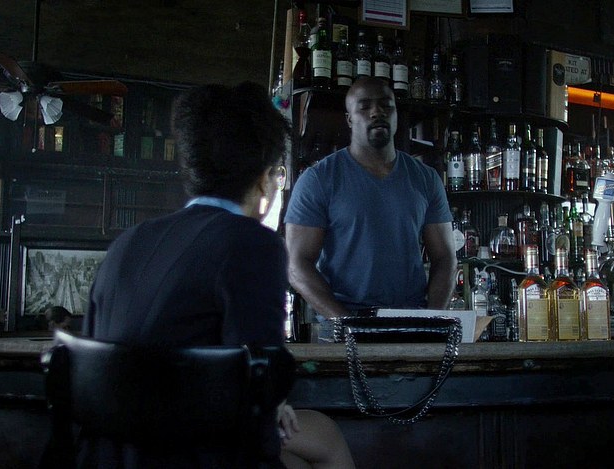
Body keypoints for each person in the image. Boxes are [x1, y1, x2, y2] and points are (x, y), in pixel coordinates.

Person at [80, 82, 354, 469]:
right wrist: (272, 403)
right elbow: (261, 380)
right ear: (265, 180)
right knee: (325, 438)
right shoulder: (252, 243)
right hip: (194, 451)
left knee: (317, 436)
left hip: (109, 454)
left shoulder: (129, 242)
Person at [284, 76, 457, 331]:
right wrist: (349, 324)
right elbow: (296, 265)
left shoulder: (425, 179)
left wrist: (432, 320)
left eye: (386, 105)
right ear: (349, 119)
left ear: (396, 114)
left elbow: (445, 258)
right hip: (344, 326)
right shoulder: (319, 179)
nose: (377, 112)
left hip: (410, 323)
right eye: (364, 106)